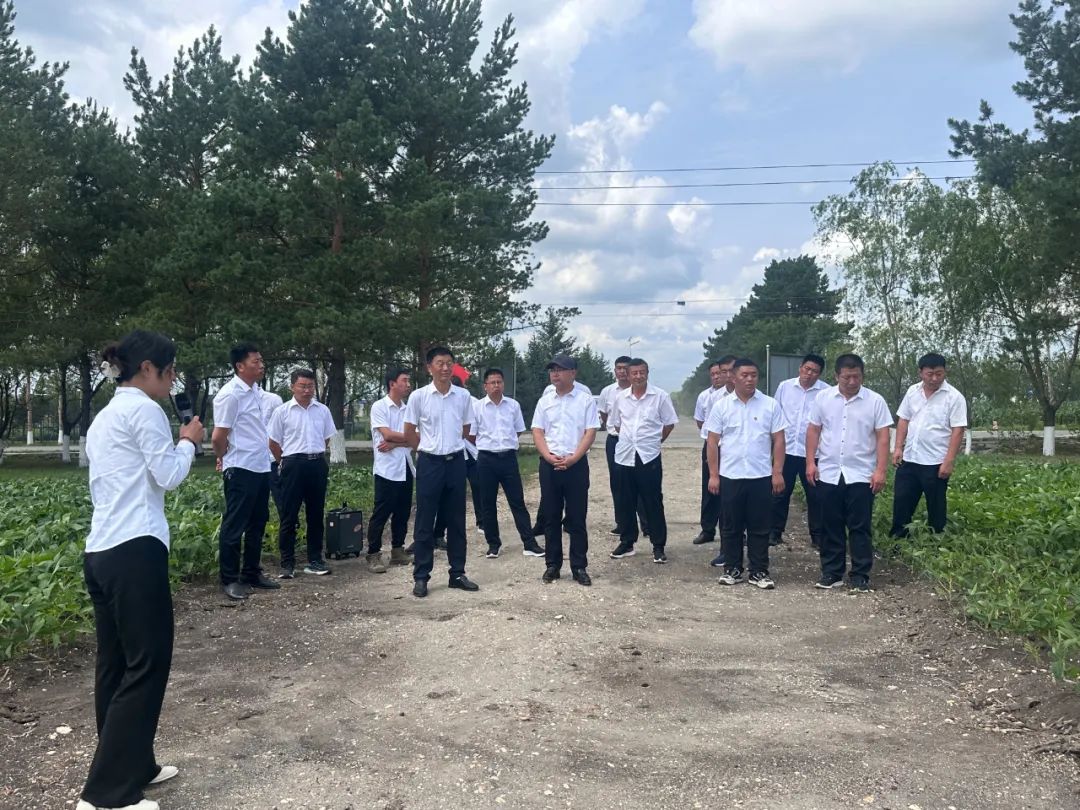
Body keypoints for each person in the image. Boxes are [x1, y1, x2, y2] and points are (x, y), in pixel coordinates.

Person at [78, 330, 204, 810]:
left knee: (115, 665)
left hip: (102, 550)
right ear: (147, 369)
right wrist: (188, 441)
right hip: (136, 547)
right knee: (147, 663)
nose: (172, 381)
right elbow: (167, 475)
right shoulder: (145, 410)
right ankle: (106, 794)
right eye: (169, 371)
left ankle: (132, 764)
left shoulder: (105, 416)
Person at [805, 353, 893, 592]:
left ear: (862, 375)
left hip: (861, 473)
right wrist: (811, 462)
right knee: (830, 524)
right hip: (829, 471)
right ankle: (831, 572)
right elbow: (813, 430)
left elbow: (883, 437)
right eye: (847, 377)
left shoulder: (875, 401)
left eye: (857, 377)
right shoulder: (823, 398)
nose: (852, 382)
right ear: (837, 376)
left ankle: (860, 574)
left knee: (860, 526)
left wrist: (880, 470)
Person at [404, 346, 480, 598]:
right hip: (430, 463)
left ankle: (457, 573)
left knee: (456, 520)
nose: (445, 368)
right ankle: (421, 576)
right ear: (430, 367)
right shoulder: (418, 396)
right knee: (425, 521)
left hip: (456, 462)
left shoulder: (463, 396)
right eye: (440, 363)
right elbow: (409, 432)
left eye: (449, 363)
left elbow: (466, 428)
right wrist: (426, 450)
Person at [705, 358, 787, 589]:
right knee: (731, 526)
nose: (750, 379)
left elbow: (779, 440)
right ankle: (732, 568)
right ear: (733, 377)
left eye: (754, 375)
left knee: (760, 526)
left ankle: (759, 571)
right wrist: (713, 475)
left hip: (760, 476)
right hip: (730, 476)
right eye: (745, 375)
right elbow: (712, 442)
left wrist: (777, 472)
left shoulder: (770, 405)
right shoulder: (722, 406)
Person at [212, 343, 279, 600]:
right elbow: (218, 436)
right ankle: (229, 578)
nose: (261, 365)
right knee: (235, 524)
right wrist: (223, 457)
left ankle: (251, 572)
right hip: (240, 467)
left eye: (261, 360)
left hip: (260, 466)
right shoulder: (231, 395)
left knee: (257, 522)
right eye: (255, 361)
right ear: (240, 366)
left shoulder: (255, 392)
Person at [531, 354, 599, 586]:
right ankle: (552, 565)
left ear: (573, 373)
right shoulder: (545, 401)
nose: (555, 374)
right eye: (552, 370)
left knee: (577, 517)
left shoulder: (585, 400)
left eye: (560, 369)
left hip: (575, 465)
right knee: (550, 516)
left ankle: (579, 566)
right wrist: (547, 456)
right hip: (550, 465)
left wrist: (574, 458)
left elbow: (590, 432)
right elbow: (538, 431)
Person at [607, 358, 678, 564]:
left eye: (642, 372)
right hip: (624, 455)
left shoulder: (660, 396)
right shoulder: (620, 398)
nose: (638, 376)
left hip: (649, 456)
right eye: (634, 373)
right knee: (625, 501)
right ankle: (627, 542)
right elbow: (617, 424)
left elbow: (669, 424)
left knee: (652, 501)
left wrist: (655, 441)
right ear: (628, 375)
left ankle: (658, 546)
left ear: (647, 373)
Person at [267, 369, 337, 578]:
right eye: (302, 386)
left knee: (315, 514)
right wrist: (284, 462)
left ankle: (315, 560)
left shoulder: (322, 410)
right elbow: (273, 442)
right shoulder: (282, 412)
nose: (307, 390)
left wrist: (315, 453)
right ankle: (287, 563)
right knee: (289, 515)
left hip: (316, 464)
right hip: (292, 465)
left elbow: (326, 438)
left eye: (310, 386)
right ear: (292, 387)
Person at [890, 353, 968, 538]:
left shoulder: (954, 397)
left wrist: (949, 461)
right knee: (902, 500)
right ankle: (899, 538)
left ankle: (936, 538)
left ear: (945, 372)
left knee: (936, 503)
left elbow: (958, 430)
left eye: (939, 374)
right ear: (920, 373)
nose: (934, 378)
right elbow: (903, 419)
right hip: (910, 458)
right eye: (930, 374)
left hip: (935, 461)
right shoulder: (912, 391)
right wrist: (898, 447)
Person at [472, 368, 545, 559]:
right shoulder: (477, 407)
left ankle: (529, 543)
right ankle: (493, 545)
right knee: (488, 503)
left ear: (503, 384)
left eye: (499, 382)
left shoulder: (513, 405)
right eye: (492, 382)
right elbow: (471, 434)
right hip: (486, 460)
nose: (496, 386)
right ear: (485, 386)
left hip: (508, 459)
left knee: (517, 502)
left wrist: (505, 444)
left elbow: (518, 430)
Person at [770, 354, 829, 548]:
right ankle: (774, 532)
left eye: (814, 371)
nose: (809, 374)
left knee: (815, 496)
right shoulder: (785, 387)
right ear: (800, 367)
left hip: (812, 454)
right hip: (786, 450)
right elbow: (776, 415)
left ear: (820, 374)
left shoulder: (826, 392)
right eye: (807, 369)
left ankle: (818, 537)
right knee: (779, 492)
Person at [366, 367, 415, 572]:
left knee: (403, 512)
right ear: (392, 383)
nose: (408, 384)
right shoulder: (379, 407)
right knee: (381, 512)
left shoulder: (409, 409)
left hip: (405, 466)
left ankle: (397, 550)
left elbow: (417, 439)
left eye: (409, 381)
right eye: (404, 380)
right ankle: (373, 554)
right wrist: (403, 439)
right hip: (386, 469)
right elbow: (386, 434)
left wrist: (396, 443)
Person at [693, 355, 735, 545]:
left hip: (734, 449)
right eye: (722, 372)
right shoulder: (713, 397)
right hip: (714, 446)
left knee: (734, 491)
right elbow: (703, 423)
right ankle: (708, 529)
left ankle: (735, 532)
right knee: (710, 488)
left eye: (729, 371)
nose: (725, 375)